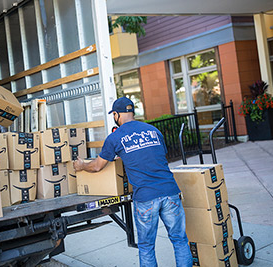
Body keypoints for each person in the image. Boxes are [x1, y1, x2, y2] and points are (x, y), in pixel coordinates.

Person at [73, 97, 192, 267]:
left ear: (116, 114)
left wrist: (82, 165)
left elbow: (97, 167)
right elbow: (156, 157)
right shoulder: (154, 131)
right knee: (180, 241)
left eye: (114, 114)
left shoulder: (115, 137)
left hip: (146, 198)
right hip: (170, 192)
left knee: (146, 247)